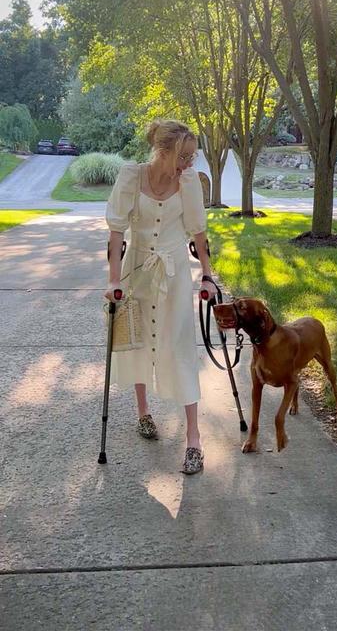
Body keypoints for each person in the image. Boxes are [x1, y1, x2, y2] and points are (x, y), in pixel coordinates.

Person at [104, 120, 218, 474]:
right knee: (136, 342)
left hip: (174, 277)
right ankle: (143, 414)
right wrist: (112, 281)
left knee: (180, 347)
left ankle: (194, 440)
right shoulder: (131, 177)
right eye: (183, 156)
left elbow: (198, 234)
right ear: (162, 151)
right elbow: (115, 234)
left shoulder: (188, 183)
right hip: (136, 274)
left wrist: (208, 275)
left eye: (192, 156)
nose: (188, 163)